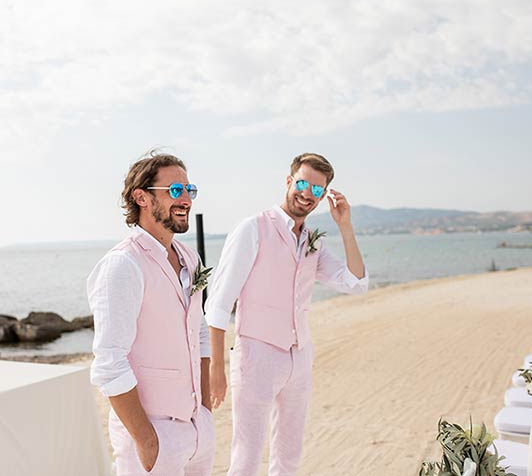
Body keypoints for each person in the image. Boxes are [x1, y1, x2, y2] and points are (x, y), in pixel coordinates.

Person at [206, 152, 368, 476]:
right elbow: (219, 303)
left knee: (289, 456)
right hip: (256, 355)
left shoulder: (313, 242)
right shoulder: (253, 229)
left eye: (317, 190)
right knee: (246, 457)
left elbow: (357, 283)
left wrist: (345, 227)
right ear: (289, 181)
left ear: (323, 196)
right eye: (303, 183)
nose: (307, 194)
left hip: (300, 358)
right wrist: (216, 369)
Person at [88, 153, 215, 475]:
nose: (186, 199)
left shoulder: (190, 258)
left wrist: (204, 408)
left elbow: (199, 332)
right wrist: (146, 439)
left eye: (189, 190)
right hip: (153, 432)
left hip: (196, 426)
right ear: (141, 197)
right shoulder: (123, 265)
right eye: (175, 190)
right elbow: (109, 361)